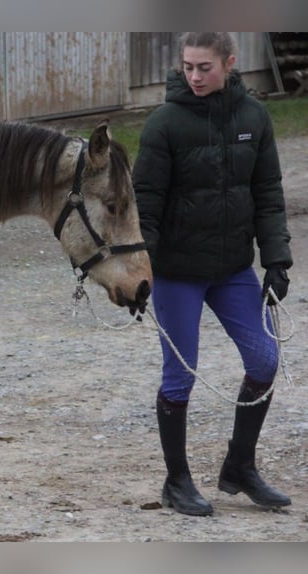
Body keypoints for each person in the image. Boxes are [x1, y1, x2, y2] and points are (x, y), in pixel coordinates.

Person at [133, 32, 293, 516]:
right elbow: (147, 204)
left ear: (229, 63)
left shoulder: (254, 117)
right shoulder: (163, 124)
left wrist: (277, 260)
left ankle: (239, 468)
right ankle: (176, 482)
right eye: (188, 67)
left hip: (232, 270)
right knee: (180, 376)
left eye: (204, 67)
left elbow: (267, 191)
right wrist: (142, 271)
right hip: (177, 273)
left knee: (265, 361)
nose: (195, 76)